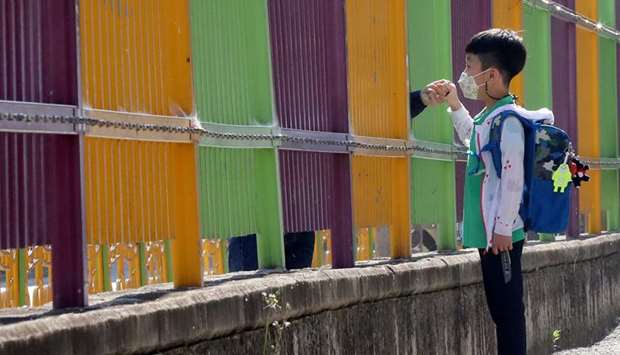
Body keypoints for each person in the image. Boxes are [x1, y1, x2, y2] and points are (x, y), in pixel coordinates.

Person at [433, 28, 536, 355]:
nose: (464, 74)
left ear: (491, 75)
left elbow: (512, 177)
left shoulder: (508, 120)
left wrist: (504, 227)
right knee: (499, 307)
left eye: (469, 66)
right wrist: (454, 104)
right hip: (490, 232)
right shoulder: (489, 117)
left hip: (500, 234)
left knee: (507, 311)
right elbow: (472, 141)